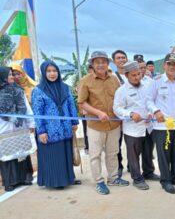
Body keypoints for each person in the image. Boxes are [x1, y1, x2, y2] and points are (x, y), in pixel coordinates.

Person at [78, 51, 129, 195]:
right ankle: (99, 181)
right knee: (95, 155)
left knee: (113, 152)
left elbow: (120, 100)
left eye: (103, 62)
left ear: (108, 63)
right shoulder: (86, 80)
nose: (100, 65)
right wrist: (98, 113)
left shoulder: (114, 79)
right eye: (97, 62)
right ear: (92, 64)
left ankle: (113, 178)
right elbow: (82, 103)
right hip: (95, 125)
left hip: (114, 124)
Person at [32, 60, 81, 189]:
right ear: (44, 73)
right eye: (49, 71)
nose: (52, 74)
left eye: (54, 71)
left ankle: (68, 178)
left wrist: (74, 121)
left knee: (65, 155)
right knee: (53, 157)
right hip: (50, 130)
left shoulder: (65, 87)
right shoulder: (38, 90)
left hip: (65, 128)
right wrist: (41, 131)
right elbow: (37, 112)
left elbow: (71, 105)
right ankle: (55, 181)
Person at [146, 52, 175, 194]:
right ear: (164, 65)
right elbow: (148, 101)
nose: (172, 66)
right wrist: (156, 111)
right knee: (163, 154)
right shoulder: (156, 81)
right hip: (161, 126)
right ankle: (165, 180)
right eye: (169, 64)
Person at [114, 61, 156, 190]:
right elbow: (117, 108)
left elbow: (150, 102)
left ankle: (148, 172)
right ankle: (137, 178)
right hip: (132, 129)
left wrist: (151, 113)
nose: (138, 77)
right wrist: (130, 114)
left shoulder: (147, 85)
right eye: (134, 75)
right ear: (126, 75)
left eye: (139, 74)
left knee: (148, 151)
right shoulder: (121, 91)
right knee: (133, 154)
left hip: (147, 125)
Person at [0, 66, 34, 192]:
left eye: (12, 74)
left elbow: (26, 108)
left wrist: (31, 124)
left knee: (22, 153)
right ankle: (10, 182)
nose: (12, 77)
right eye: (9, 75)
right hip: (4, 129)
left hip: (20, 127)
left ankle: (25, 178)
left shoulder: (19, 90)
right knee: (7, 156)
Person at [111, 49, 128, 177]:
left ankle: (132, 166)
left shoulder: (132, 74)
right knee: (116, 144)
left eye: (123, 57)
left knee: (133, 144)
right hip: (117, 117)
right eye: (118, 58)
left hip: (132, 117)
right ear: (114, 61)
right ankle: (119, 166)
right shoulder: (112, 77)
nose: (121, 60)